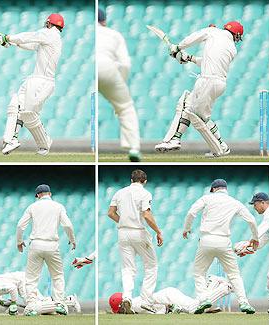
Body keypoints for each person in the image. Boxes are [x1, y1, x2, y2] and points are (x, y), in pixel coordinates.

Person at [155, 21, 244, 157]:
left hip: (207, 81)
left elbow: (194, 37)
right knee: (201, 115)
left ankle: (174, 140)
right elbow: (209, 62)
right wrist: (189, 58)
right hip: (218, 83)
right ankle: (221, 146)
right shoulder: (232, 48)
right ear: (236, 34)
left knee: (188, 107)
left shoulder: (214, 32)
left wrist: (178, 48)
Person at [0, 14, 64, 156]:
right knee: (15, 105)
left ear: (49, 24)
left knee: (29, 114)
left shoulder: (49, 34)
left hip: (42, 81)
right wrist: (8, 42)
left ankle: (44, 143)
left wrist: (7, 37)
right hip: (35, 79)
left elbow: (29, 36)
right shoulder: (49, 38)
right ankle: (10, 139)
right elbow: (29, 44)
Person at [183, 178, 259, 313]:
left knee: (199, 273)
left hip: (206, 240)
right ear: (226, 190)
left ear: (213, 189)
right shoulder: (234, 202)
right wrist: (255, 237)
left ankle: (204, 299)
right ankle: (244, 303)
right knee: (234, 274)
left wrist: (187, 228)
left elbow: (191, 212)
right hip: (224, 241)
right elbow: (252, 220)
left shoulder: (207, 198)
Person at [108, 169, 163, 314]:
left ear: (131, 180)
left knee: (128, 269)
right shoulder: (145, 193)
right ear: (144, 181)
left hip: (123, 233)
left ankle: (127, 297)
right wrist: (158, 231)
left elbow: (110, 213)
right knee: (151, 266)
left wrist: (124, 221)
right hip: (138, 232)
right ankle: (146, 301)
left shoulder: (119, 192)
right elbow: (146, 215)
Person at [16, 184, 75, 316]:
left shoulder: (33, 206)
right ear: (50, 193)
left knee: (31, 278)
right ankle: (59, 303)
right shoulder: (58, 206)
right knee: (57, 275)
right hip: (52, 245)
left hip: (36, 244)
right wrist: (72, 239)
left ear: (37, 195)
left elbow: (20, 225)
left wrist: (19, 241)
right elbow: (68, 225)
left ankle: (31, 305)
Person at [97, 9, 141, 161]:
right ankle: (133, 147)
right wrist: (120, 82)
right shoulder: (114, 35)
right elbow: (125, 64)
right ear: (104, 21)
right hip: (108, 68)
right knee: (126, 107)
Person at [109, 275, 232, 315]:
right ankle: (213, 282)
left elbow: (152, 309)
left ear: (122, 306)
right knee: (197, 306)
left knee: (193, 309)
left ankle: (224, 288)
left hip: (169, 297)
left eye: (119, 310)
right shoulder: (134, 305)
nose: (120, 313)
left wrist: (171, 309)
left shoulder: (135, 305)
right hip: (168, 295)